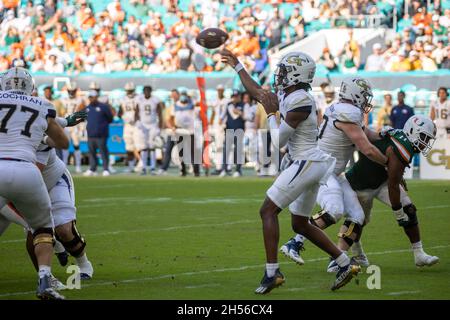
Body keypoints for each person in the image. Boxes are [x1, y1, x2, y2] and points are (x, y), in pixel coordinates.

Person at [221, 49, 360, 294]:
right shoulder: (291, 94)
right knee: (300, 224)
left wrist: (272, 113)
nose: (279, 75)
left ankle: (272, 273)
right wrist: (238, 65)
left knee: (267, 210)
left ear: (296, 74)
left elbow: (277, 140)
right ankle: (344, 263)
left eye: (284, 70)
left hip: (306, 161)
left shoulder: (301, 99)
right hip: (309, 163)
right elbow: (258, 94)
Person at [280, 77, 387, 267]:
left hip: (333, 172)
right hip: (322, 170)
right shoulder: (349, 113)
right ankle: (294, 243)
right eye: (364, 96)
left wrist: (386, 134)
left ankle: (336, 260)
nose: (365, 100)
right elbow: (367, 148)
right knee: (334, 210)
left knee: (357, 216)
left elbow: (368, 135)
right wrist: (388, 163)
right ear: (355, 94)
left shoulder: (340, 109)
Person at [328, 115, 440, 270]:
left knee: (409, 209)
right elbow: (393, 185)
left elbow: (393, 177)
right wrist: (398, 212)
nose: (426, 142)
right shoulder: (403, 147)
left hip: (382, 182)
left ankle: (419, 253)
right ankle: (341, 256)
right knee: (358, 221)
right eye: (424, 137)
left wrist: (402, 205)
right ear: (413, 131)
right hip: (361, 184)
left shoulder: (401, 136)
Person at [0, 67, 69, 299]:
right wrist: (44, 138)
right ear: (30, 86)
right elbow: (63, 142)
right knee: (42, 228)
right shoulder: (42, 104)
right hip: (25, 169)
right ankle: (44, 281)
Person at [83, 90, 113, 176]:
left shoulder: (104, 107)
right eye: (91, 97)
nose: (93, 99)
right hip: (91, 134)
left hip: (101, 134)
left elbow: (110, 119)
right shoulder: (87, 108)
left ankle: (106, 169)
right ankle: (93, 168)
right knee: (91, 152)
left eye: (94, 97)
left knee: (103, 151)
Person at [134, 85, 163, 175]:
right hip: (143, 125)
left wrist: (160, 126)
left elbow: (160, 113)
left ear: (150, 91)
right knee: (143, 147)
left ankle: (153, 167)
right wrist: (137, 122)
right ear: (143, 91)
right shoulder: (140, 99)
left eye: (148, 91)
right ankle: (143, 167)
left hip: (153, 125)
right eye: (145, 91)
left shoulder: (155, 100)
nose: (146, 92)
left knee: (152, 146)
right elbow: (136, 112)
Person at [60, 82, 85, 173]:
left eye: (73, 91)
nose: (71, 93)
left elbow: (82, 114)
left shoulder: (80, 100)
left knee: (76, 145)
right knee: (65, 145)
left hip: (75, 125)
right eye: (70, 91)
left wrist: (81, 126)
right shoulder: (63, 99)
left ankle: (78, 165)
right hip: (65, 124)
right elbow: (60, 112)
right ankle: (64, 165)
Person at [219, 90, 245, 178]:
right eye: (233, 96)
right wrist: (221, 122)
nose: (234, 98)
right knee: (226, 150)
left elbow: (247, 117)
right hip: (229, 130)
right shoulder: (228, 105)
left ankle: (238, 170)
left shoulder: (243, 105)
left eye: (236, 96)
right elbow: (222, 116)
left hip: (239, 130)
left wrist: (240, 113)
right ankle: (224, 169)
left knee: (238, 151)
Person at [118, 82, 139, 173]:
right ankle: (131, 166)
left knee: (139, 146)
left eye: (131, 91)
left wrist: (137, 119)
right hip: (127, 125)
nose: (130, 93)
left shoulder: (139, 98)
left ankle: (140, 164)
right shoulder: (123, 99)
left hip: (137, 125)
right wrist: (124, 117)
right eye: (128, 91)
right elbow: (119, 113)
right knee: (129, 146)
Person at [209, 84, 228, 174]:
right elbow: (213, 112)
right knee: (216, 146)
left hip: (223, 126)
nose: (220, 92)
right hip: (215, 126)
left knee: (220, 146)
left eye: (221, 90)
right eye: (218, 90)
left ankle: (220, 167)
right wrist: (210, 123)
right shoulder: (215, 100)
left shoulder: (226, 101)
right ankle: (218, 165)